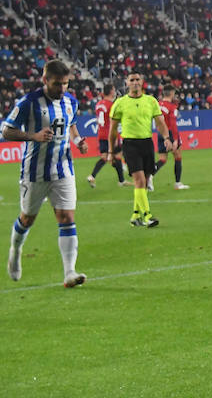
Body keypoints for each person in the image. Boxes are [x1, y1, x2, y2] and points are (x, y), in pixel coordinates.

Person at [4, 60, 89, 286]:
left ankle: (69, 272)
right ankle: (16, 249)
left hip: (63, 170)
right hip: (35, 172)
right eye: (57, 84)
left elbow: (69, 124)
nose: (62, 89)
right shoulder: (28, 103)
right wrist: (33, 136)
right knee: (28, 218)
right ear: (45, 80)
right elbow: (6, 130)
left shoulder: (71, 101)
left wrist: (78, 140)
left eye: (65, 84)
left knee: (67, 217)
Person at [109, 71, 171, 228]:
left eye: (138, 79)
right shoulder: (120, 103)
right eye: (132, 80)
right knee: (140, 180)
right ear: (127, 83)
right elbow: (113, 130)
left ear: (142, 82)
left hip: (147, 143)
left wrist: (166, 138)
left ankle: (135, 215)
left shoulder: (151, 101)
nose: (135, 82)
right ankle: (147, 215)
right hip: (130, 144)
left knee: (144, 180)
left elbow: (160, 122)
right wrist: (111, 152)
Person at [86, 82, 126, 188]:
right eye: (113, 89)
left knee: (105, 156)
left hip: (101, 134)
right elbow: (114, 122)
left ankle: (92, 176)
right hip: (110, 134)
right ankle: (122, 180)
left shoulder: (99, 104)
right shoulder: (112, 105)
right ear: (111, 91)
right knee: (117, 155)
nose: (115, 91)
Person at [151, 86, 189, 190]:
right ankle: (178, 183)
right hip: (170, 134)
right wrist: (176, 139)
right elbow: (173, 124)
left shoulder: (157, 105)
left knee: (162, 159)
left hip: (160, 133)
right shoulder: (172, 107)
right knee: (178, 157)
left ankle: (149, 176)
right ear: (171, 93)